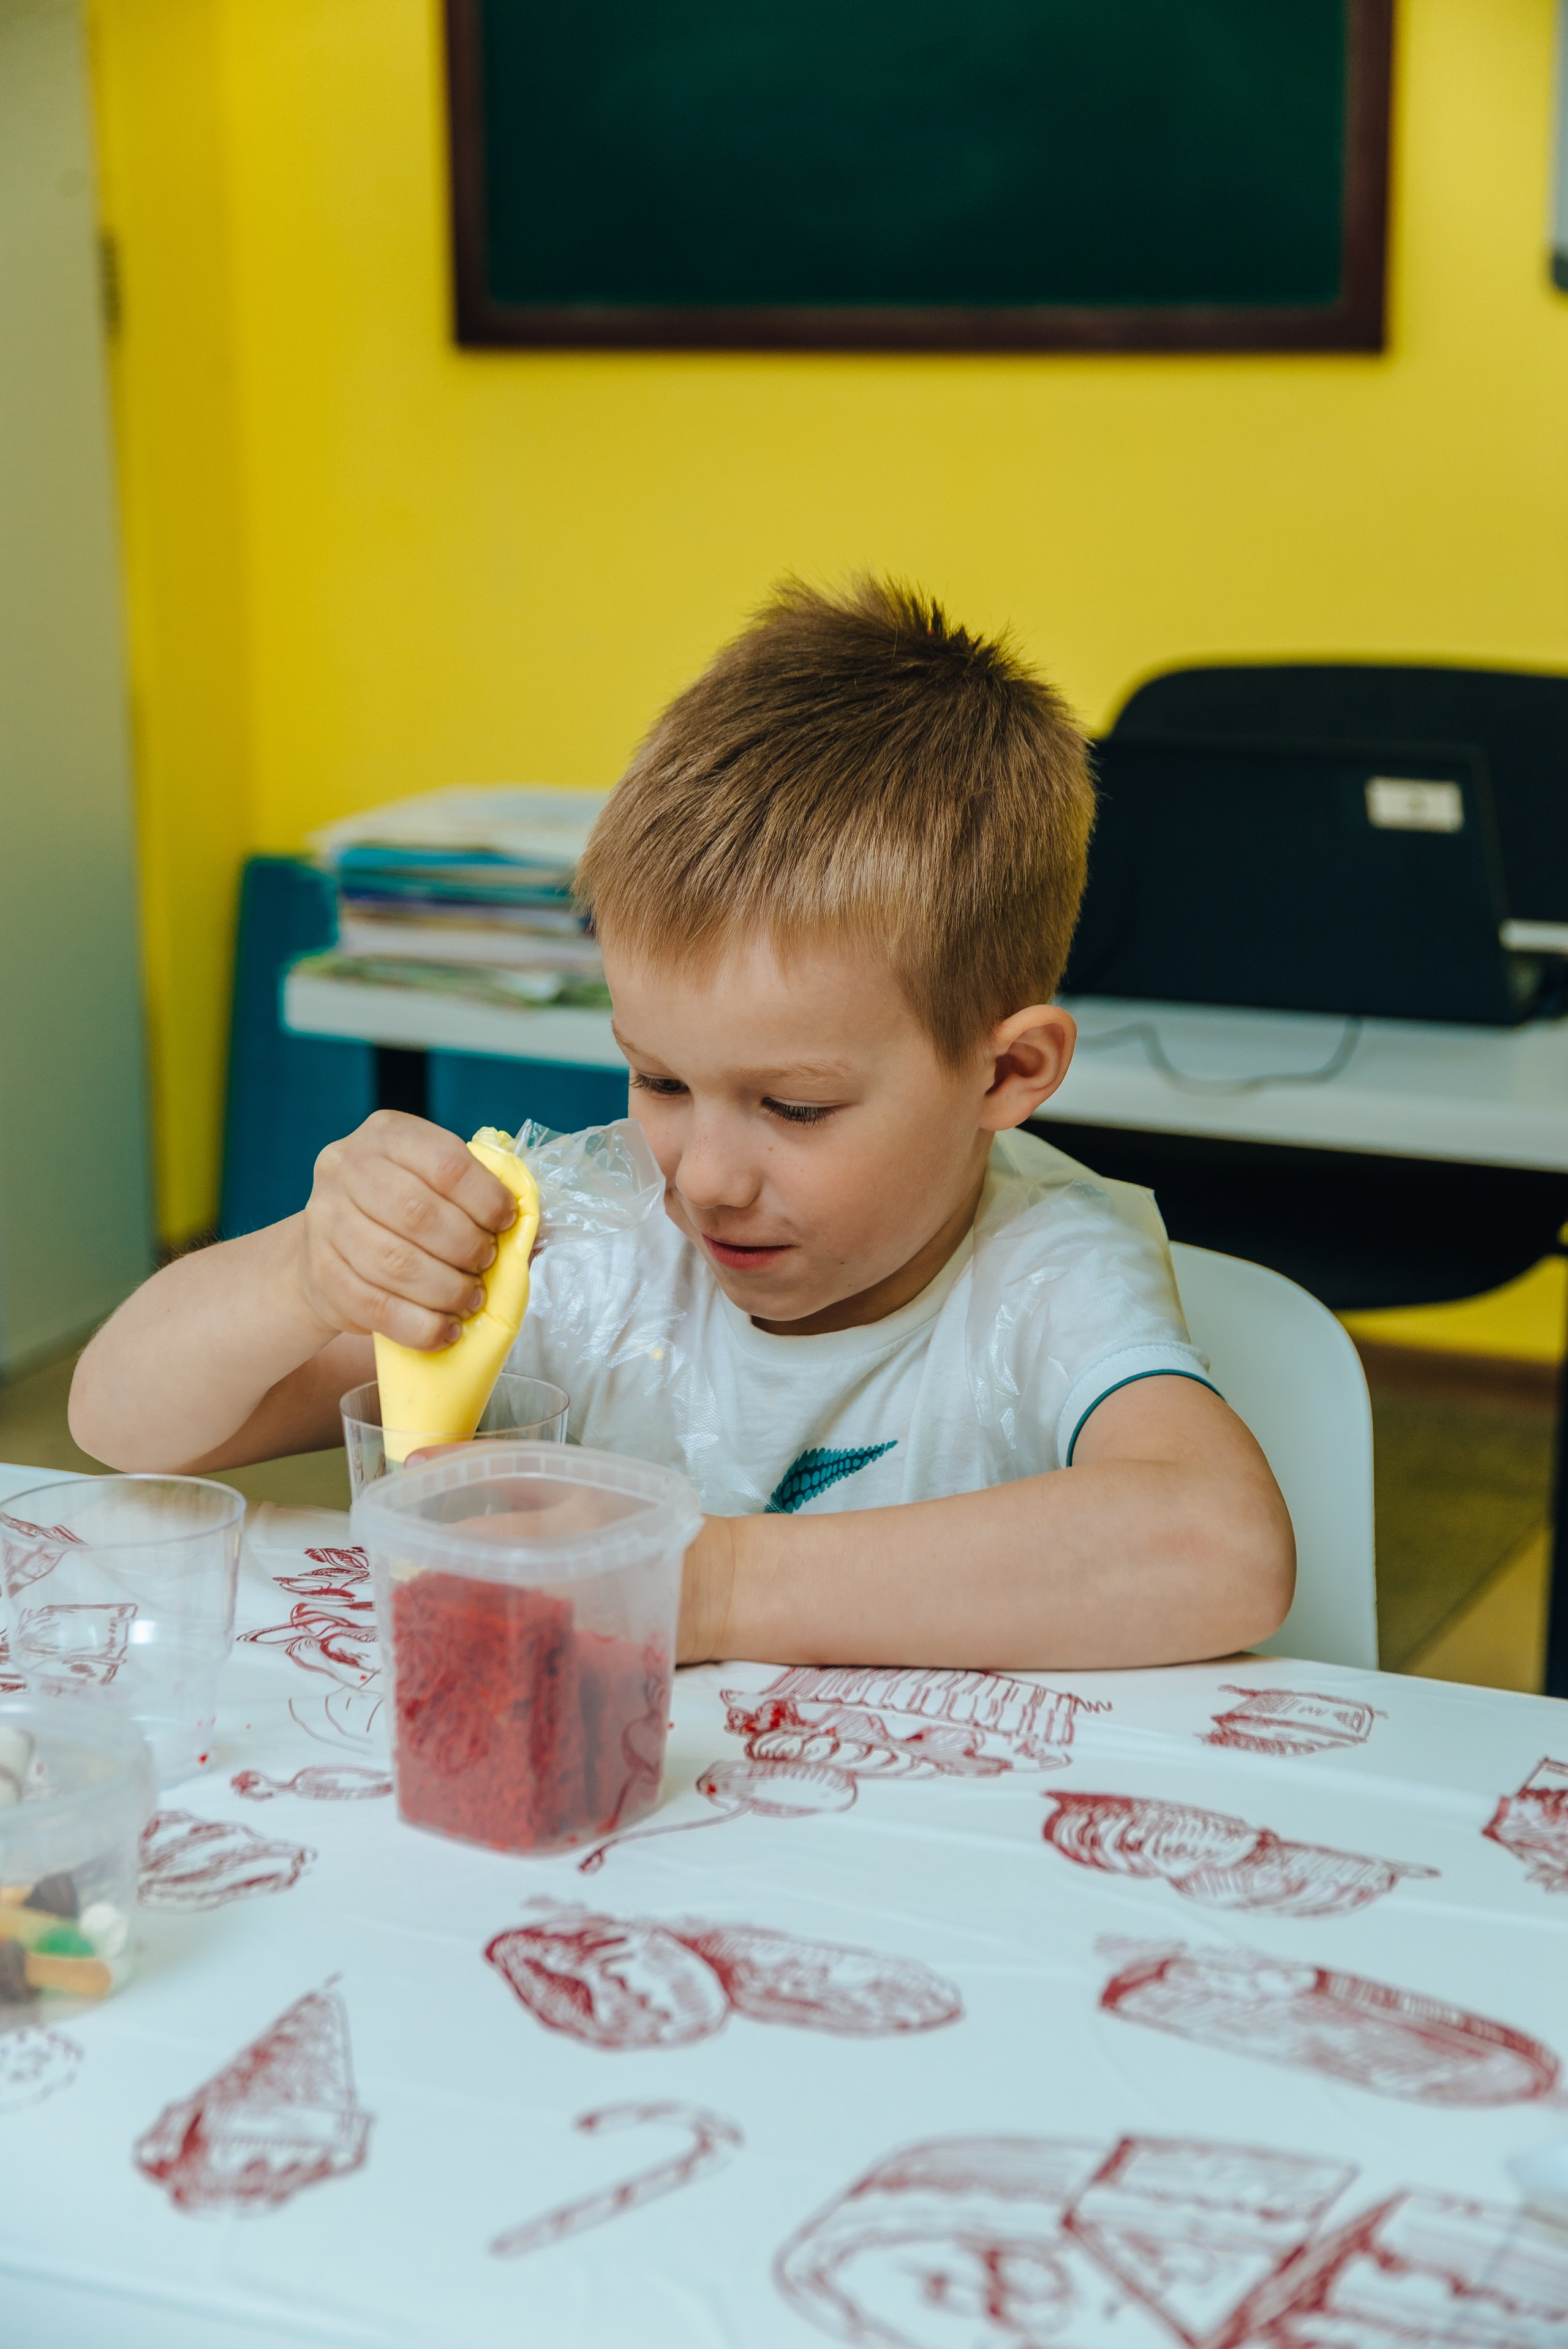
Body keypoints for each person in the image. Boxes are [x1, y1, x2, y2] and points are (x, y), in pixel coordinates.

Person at [70, 578, 1293, 1670]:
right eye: (657, 1079)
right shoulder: (591, 1248)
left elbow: (1220, 1548)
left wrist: (701, 1583)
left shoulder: (1042, 1279)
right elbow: (121, 1425)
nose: (704, 1179)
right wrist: (305, 1271)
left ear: (1007, 1072)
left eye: (794, 1106)